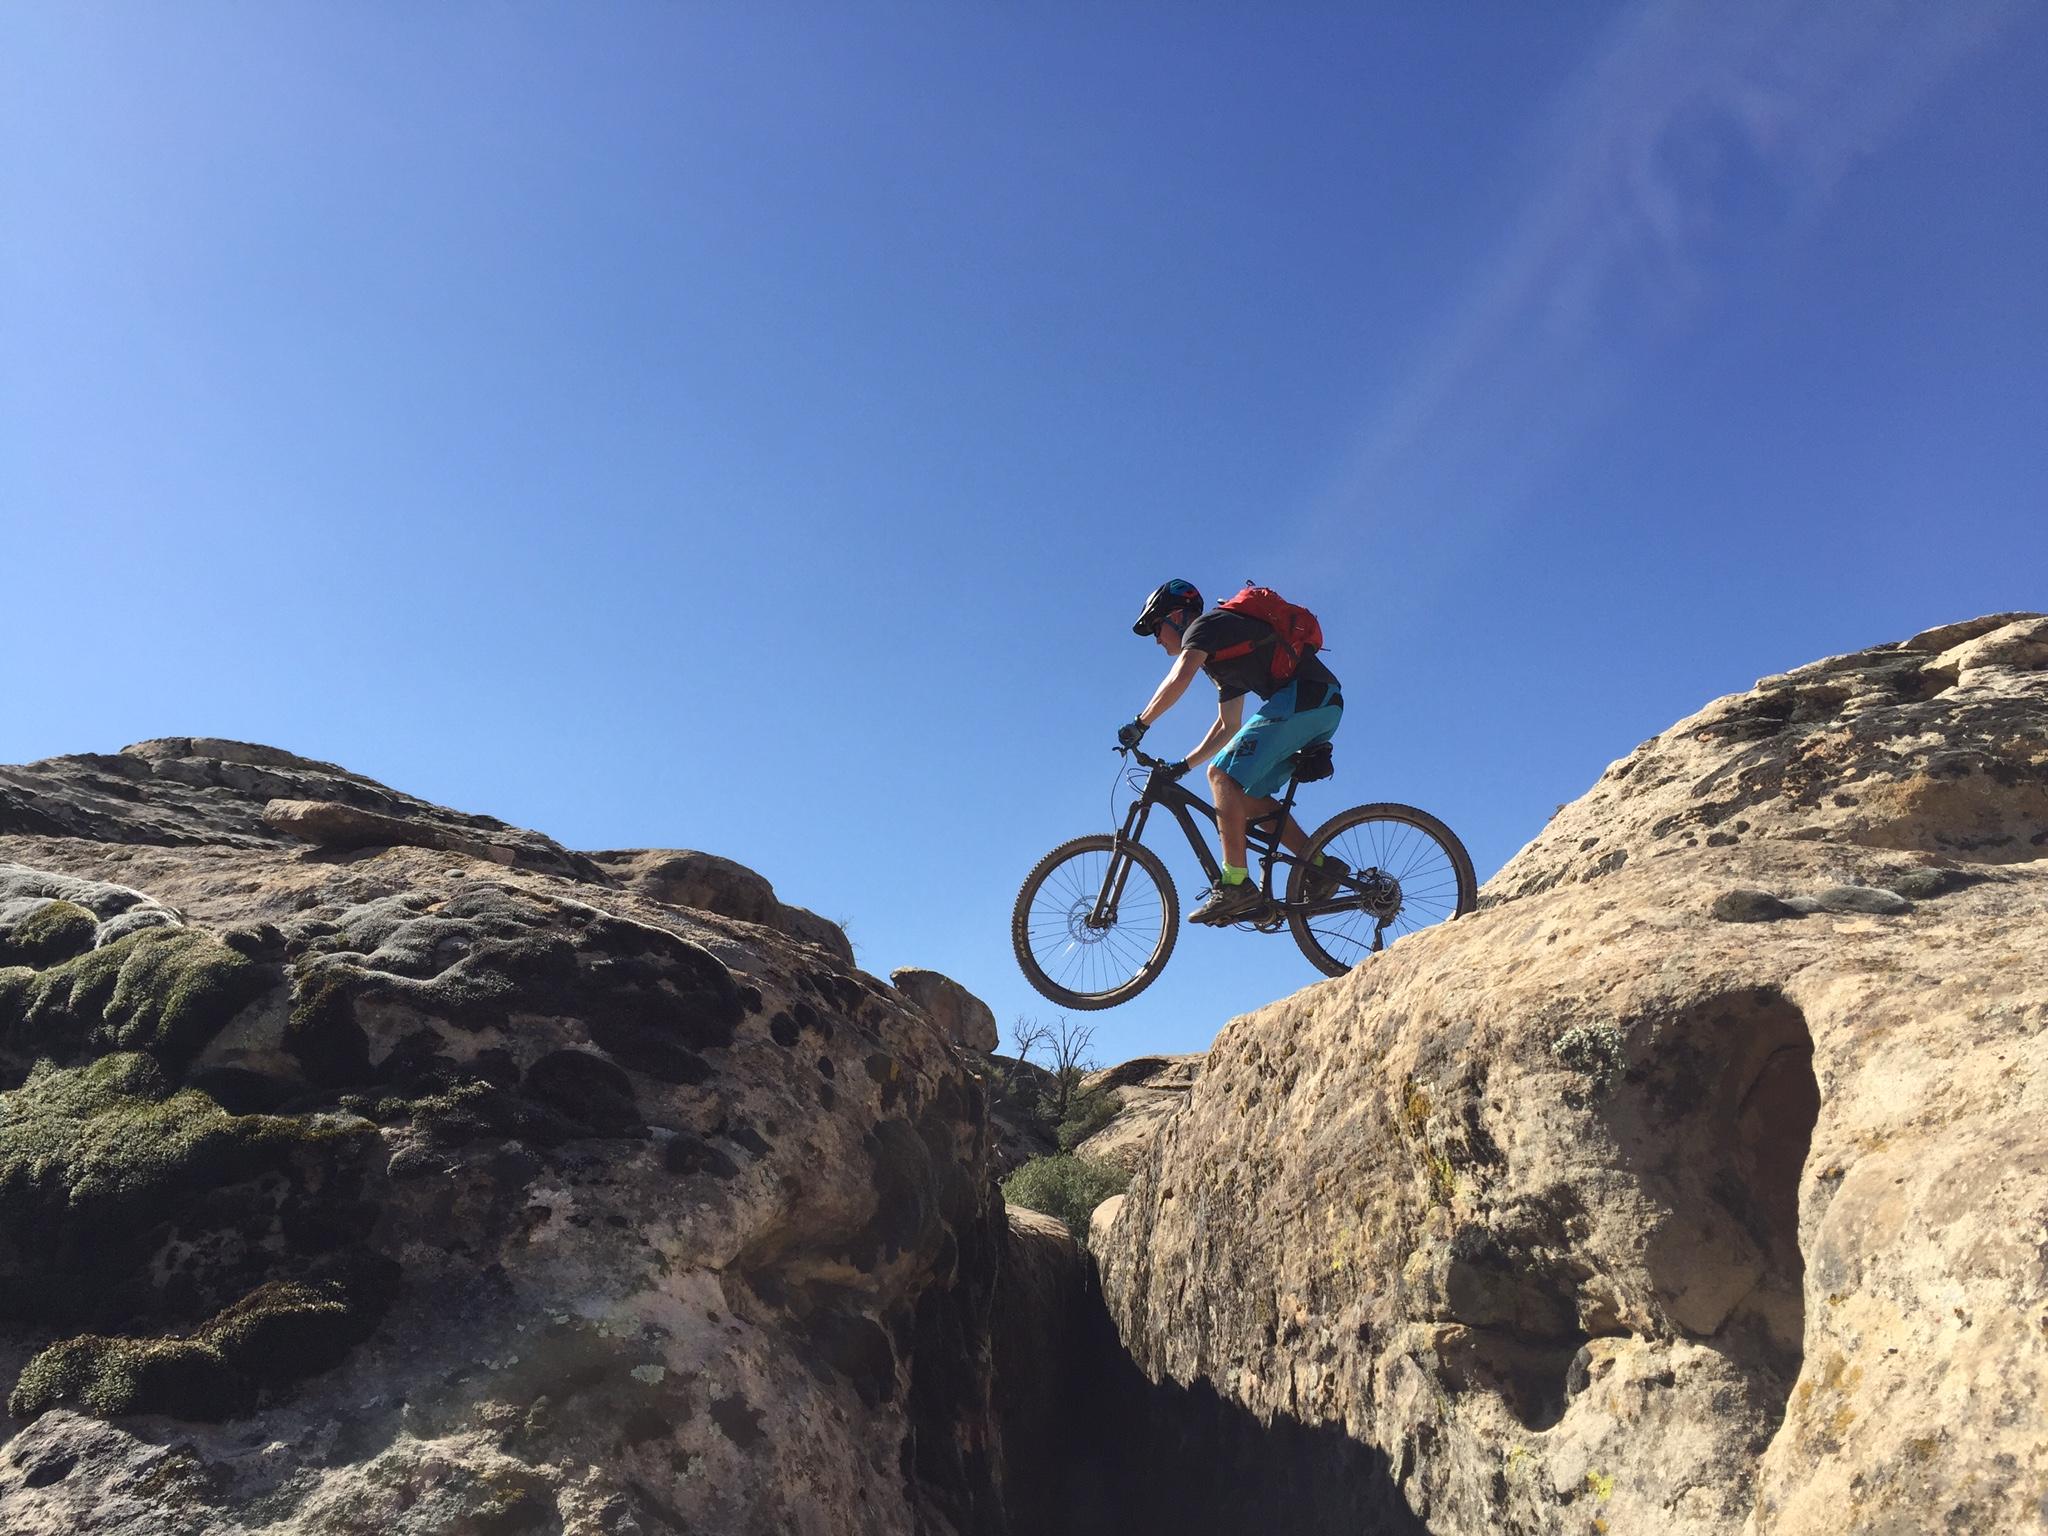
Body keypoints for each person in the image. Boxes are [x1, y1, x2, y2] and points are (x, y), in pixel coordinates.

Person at [1119, 580, 1346, 924]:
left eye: (1156, 627)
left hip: (1307, 699)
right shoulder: (1224, 654)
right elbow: (1228, 726)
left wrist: (1141, 723)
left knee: (1221, 775)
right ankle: (1320, 867)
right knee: (1244, 798)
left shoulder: (1204, 627)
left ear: (1178, 616)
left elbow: (1178, 679)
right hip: (1319, 704)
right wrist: (1184, 765)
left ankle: (1235, 884)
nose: (1156, 638)